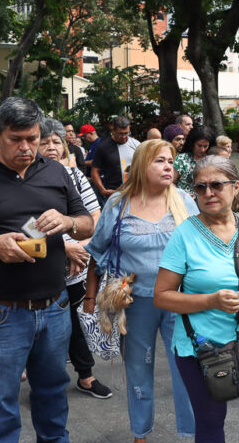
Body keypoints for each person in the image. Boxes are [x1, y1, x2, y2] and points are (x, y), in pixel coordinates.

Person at [0, 97, 94, 442]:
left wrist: (68, 221)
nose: (26, 148)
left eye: (33, 138)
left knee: (53, 397)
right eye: (15, 139)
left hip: (54, 308)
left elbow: (87, 224)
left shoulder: (56, 171)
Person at [155, 155, 239, 442]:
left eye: (216, 185)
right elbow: (162, 296)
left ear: (235, 188)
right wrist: (211, 301)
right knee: (210, 422)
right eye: (200, 187)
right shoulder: (184, 235)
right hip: (203, 348)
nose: (207, 193)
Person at [85, 139, 196, 442]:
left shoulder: (184, 200)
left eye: (170, 161)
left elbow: (204, 247)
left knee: (187, 371)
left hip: (180, 300)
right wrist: (90, 298)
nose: (168, 167)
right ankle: (140, 434)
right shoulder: (118, 203)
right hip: (135, 303)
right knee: (138, 371)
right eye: (159, 160)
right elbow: (97, 251)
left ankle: (191, 434)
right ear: (142, 165)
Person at [38, 119, 111, 399]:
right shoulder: (29, 180)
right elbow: (28, 225)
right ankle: (45, 383)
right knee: (45, 329)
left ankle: (86, 376)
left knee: (77, 323)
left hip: (79, 265)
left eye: (57, 141)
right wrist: (66, 248)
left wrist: (82, 248)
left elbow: (94, 218)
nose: (52, 146)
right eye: (45, 141)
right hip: (45, 265)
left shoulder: (76, 177)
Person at [91, 116, 141, 199]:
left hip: (134, 192)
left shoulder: (136, 144)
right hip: (113, 193)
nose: (124, 137)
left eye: (127, 133)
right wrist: (102, 190)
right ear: (113, 130)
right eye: (121, 134)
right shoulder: (103, 147)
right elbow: (95, 171)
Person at [175, 125, 216, 197]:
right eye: (199, 145)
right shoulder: (181, 159)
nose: (202, 149)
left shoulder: (213, 160)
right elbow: (170, 182)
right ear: (192, 143)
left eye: (205, 146)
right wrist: (181, 195)